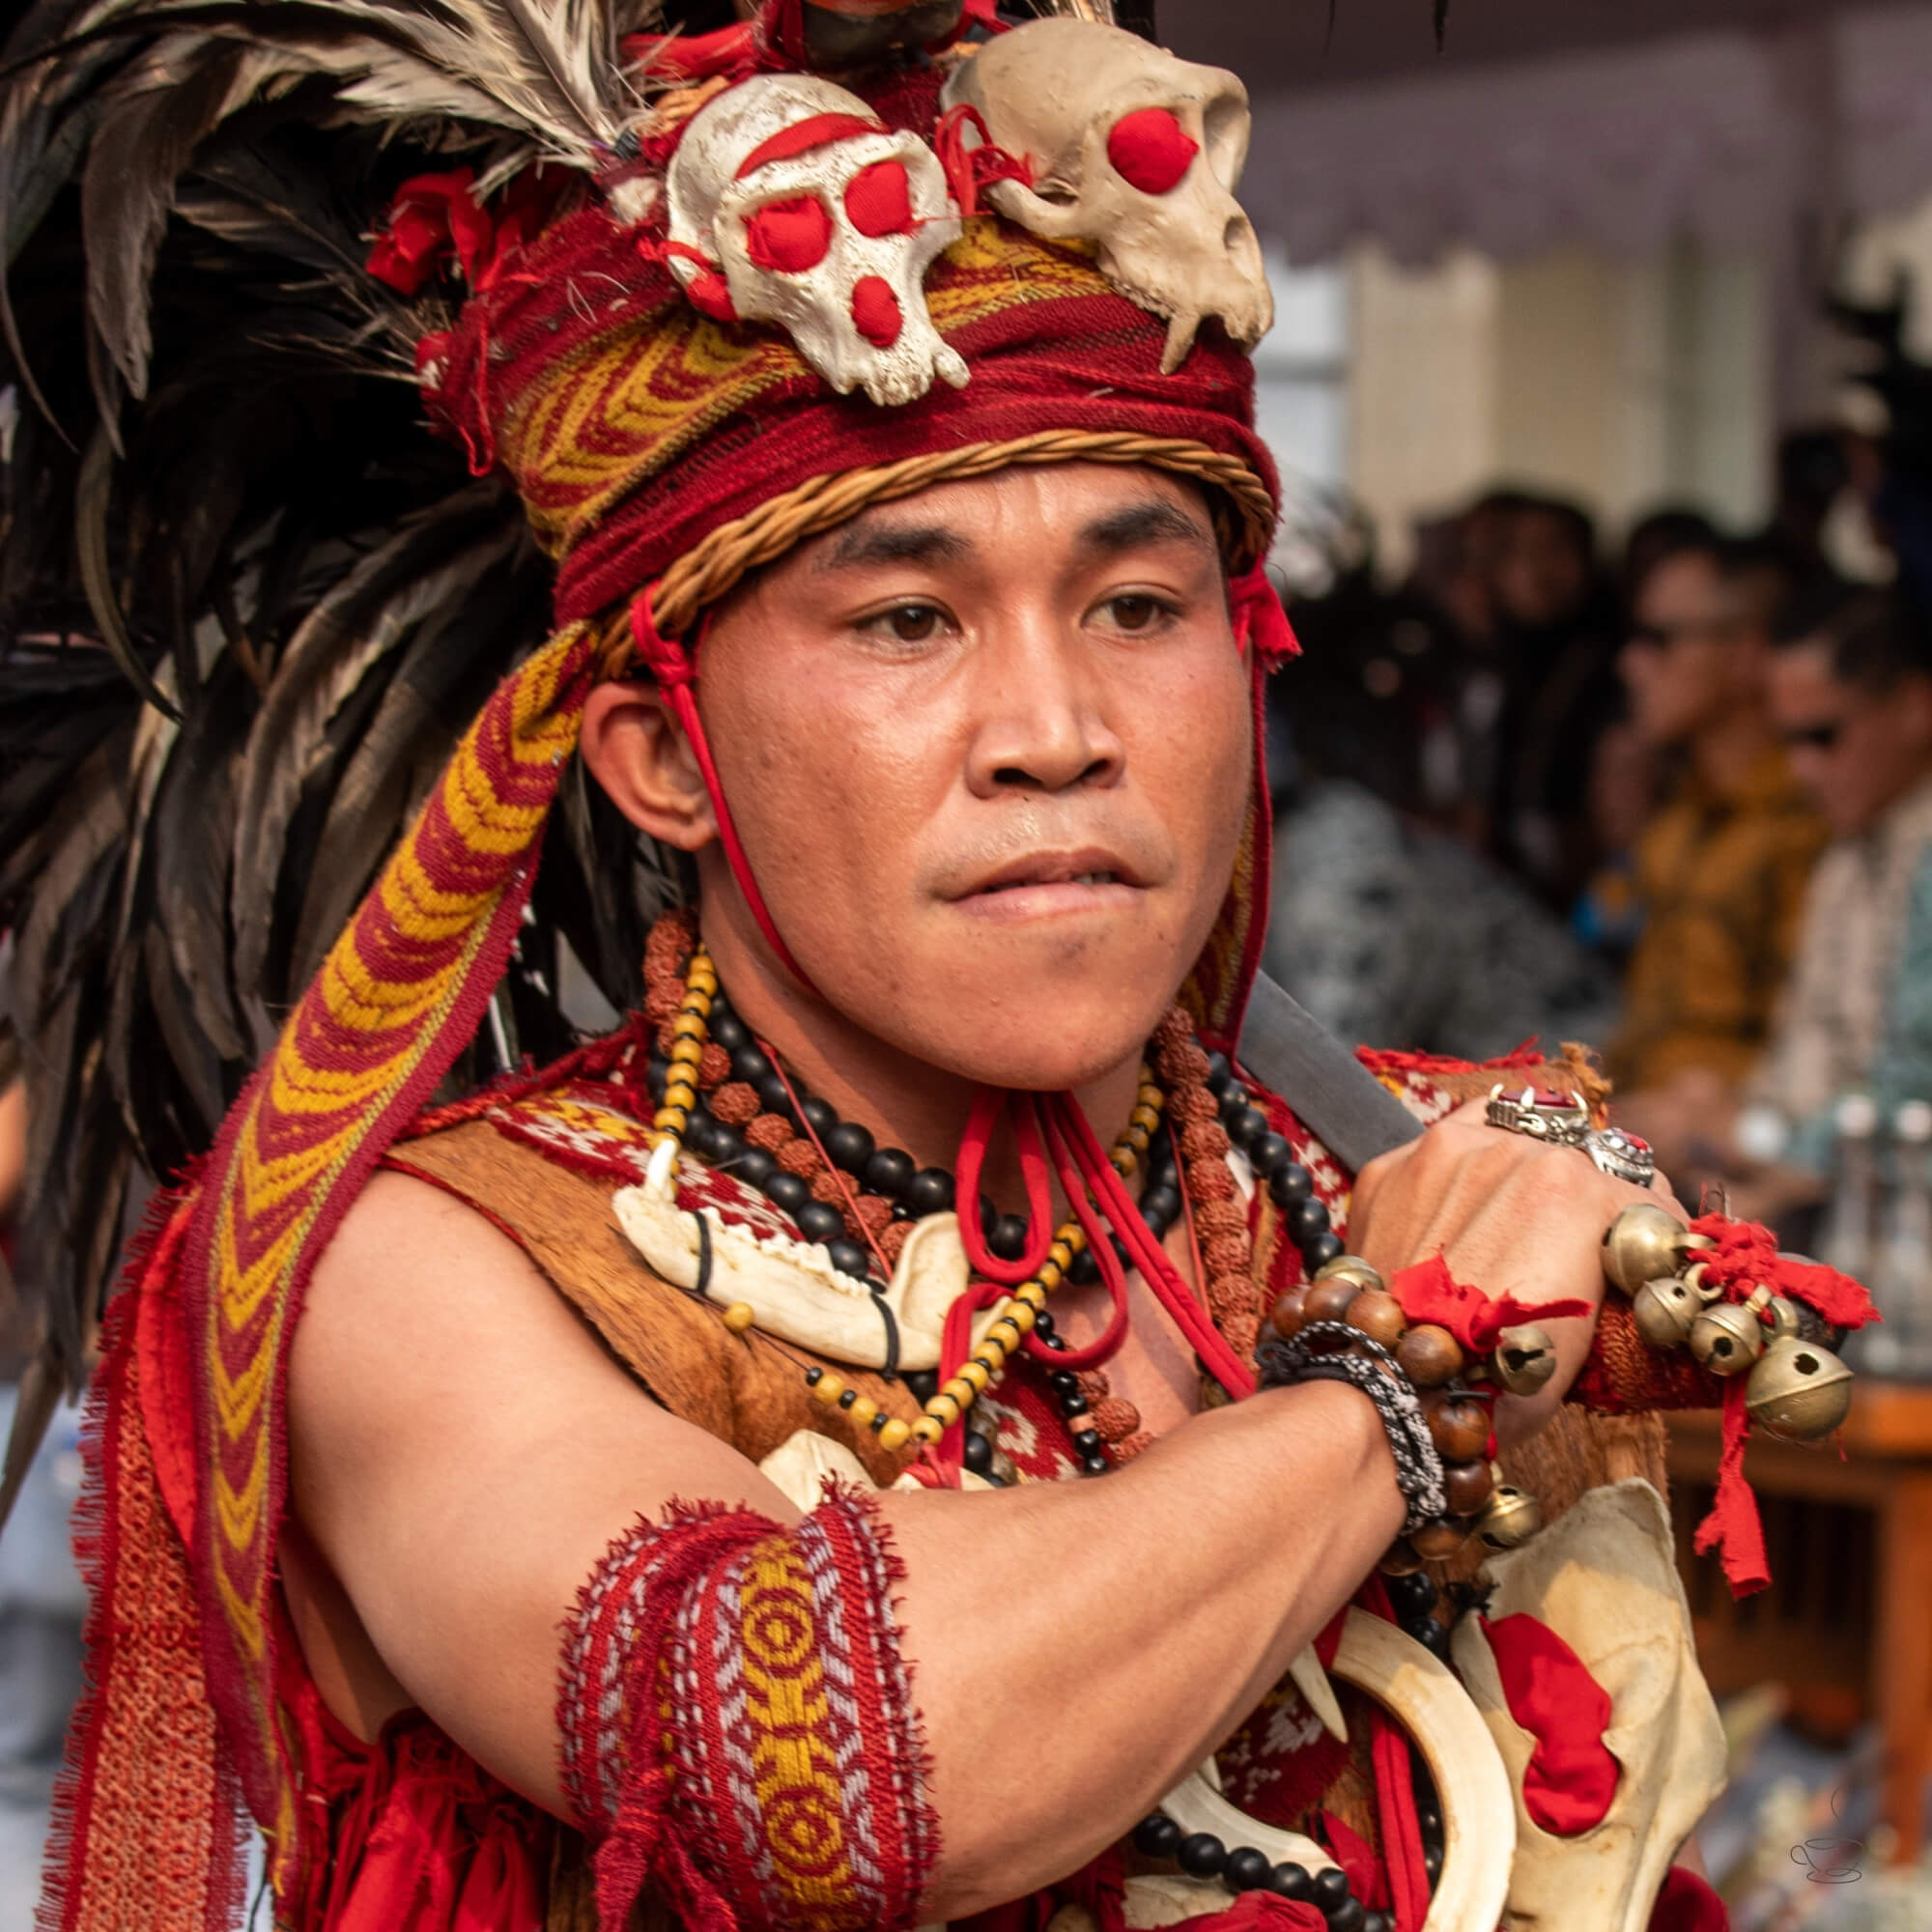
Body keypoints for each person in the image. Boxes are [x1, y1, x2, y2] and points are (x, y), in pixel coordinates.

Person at [1, 6, 1757, 1931]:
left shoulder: (1385, 1160)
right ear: (662, 755)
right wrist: (1394, 1373)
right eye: (910, 617)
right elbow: (810, 1784)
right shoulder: (427, 1266)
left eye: (1139, 604)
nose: (1055, 728)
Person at [1607, 535, 1828, 1160]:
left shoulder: (1807, 825)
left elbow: (1821, 1051)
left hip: (1739, 1151)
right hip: (1637, 1117)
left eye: (1661, 639)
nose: (1632, 663)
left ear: (1747, 655)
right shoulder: (1676, 818)